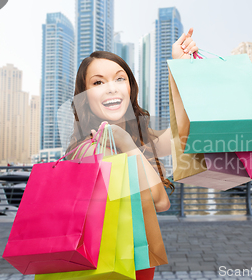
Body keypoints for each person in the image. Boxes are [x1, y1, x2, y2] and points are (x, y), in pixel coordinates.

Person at [65, 28, 199, 277]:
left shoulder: (128, 138)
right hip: (114, 269)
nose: (111, 88)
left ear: (130, 88)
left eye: (119, 79)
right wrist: (127, 145)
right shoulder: (94, 149)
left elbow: (179, 134)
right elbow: (160, 201)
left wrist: (180, 70)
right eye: (98, 82)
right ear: (85, 97)